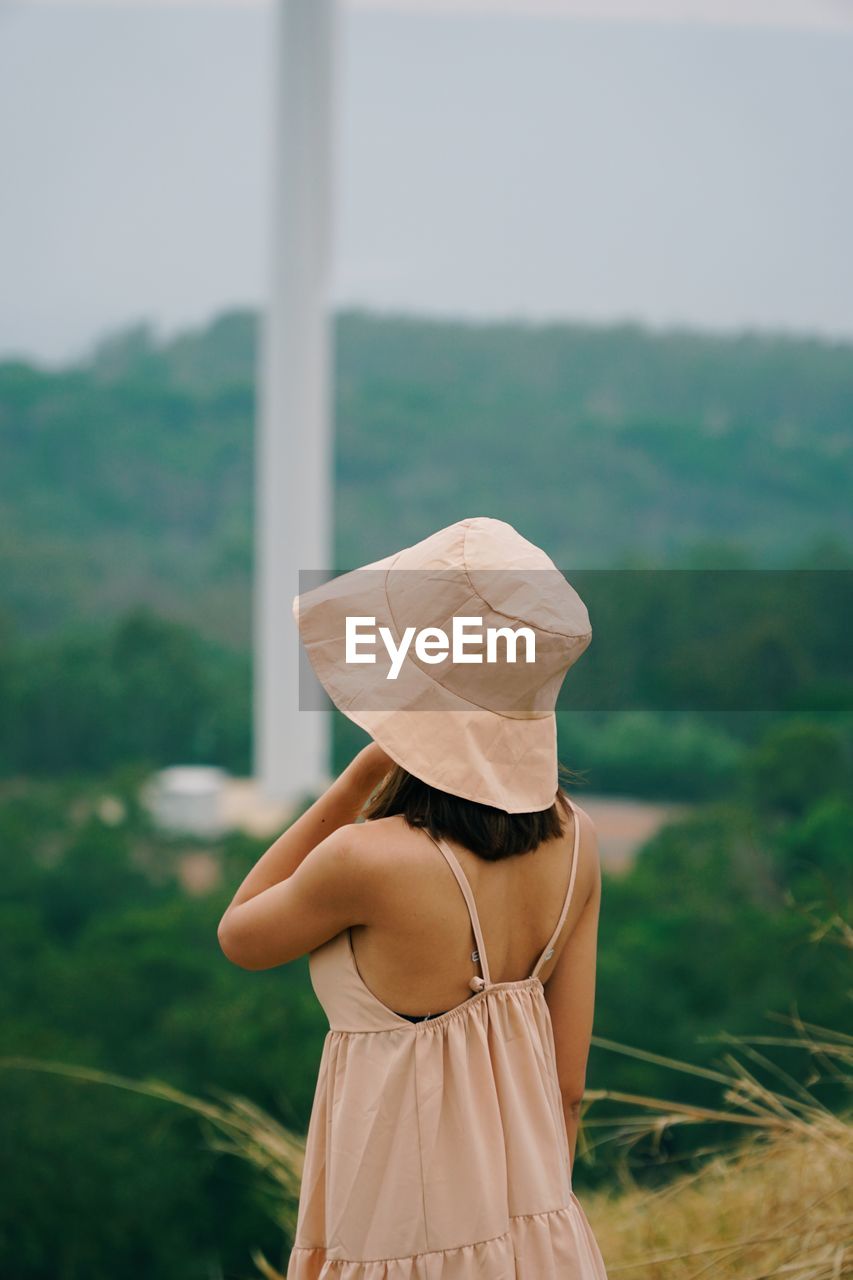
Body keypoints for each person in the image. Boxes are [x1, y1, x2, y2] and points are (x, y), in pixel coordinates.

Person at [218, 516, 609, 1278]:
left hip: (398, 1239)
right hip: (541, 1236)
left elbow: (240, 933)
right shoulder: (578, 842)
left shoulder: (366, 860)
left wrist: (360, 774)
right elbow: (567, 1088)